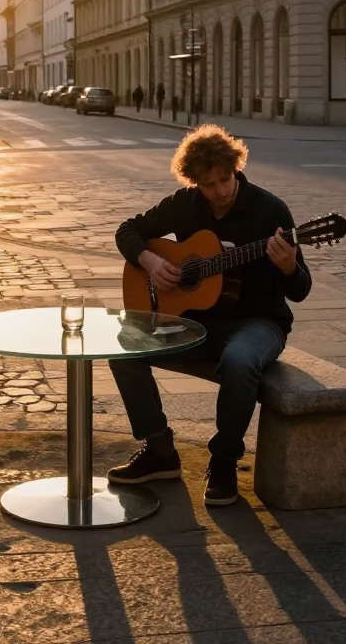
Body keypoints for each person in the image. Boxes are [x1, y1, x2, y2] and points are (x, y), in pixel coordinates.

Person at [108, 124, 311, 506]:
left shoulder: (270, 210)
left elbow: (300, 290)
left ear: (236, 168)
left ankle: (223, 462)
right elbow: (128, 230)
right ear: (194, 182)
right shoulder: (185, 204)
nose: (221, 191)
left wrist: (287, 267)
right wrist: (150, 260)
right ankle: (159, 450)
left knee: (239, 362)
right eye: (209, 184)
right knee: (124, 348)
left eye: (226, 179)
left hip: (257, 322)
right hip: (195, 324)